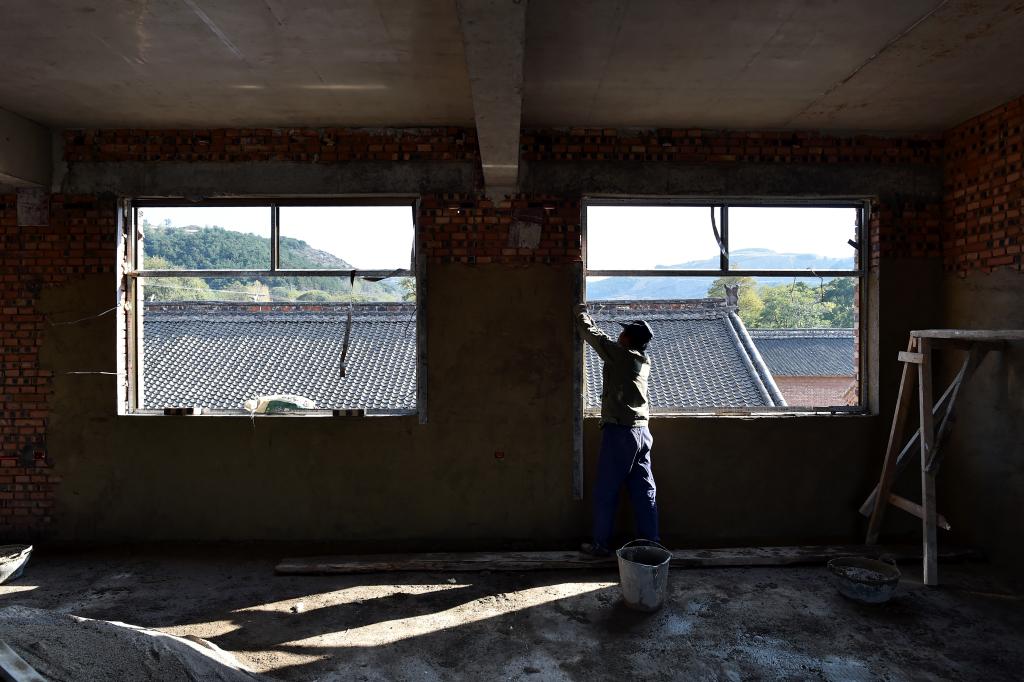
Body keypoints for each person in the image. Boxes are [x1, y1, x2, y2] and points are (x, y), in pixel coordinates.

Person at [574, 304, 658, 557]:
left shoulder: (623, 357)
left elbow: (597, 339)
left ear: (628, 340)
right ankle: (650, 543)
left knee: (607, 489)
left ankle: (601, 544)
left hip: (621, 433)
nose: (619, 336)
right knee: (644, 489)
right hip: (642, 432)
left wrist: (581, 315)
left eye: (623, 333)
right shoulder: (643, 360)